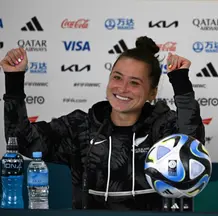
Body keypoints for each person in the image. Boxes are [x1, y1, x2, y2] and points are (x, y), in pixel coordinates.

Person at [1, 36, 205, 210]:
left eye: (134, 82)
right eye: (117, 77)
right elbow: (21, 141)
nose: (122, 88)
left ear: (152, 93)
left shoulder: (163, 127)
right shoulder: (81, 126)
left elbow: (193, 145)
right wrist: (14, 80)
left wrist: (180, 82)